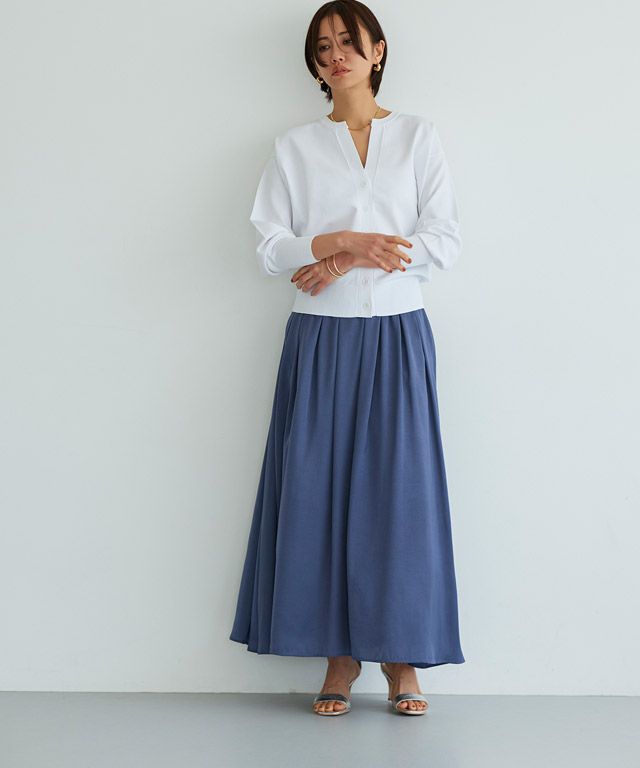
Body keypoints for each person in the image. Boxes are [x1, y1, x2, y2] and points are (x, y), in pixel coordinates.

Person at [229, 0, 465, 717]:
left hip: (397, 333)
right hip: (320, 337)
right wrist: (339, 243)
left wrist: (347, 256)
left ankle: (402, 660)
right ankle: (338, 658)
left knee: (401, 497)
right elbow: (271, 247)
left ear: (378, 50)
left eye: (348, 43)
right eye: (323, 47)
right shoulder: (295, 147)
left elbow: (444, 241)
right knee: (317, 493)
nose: (335, 56)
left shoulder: (418, 136)